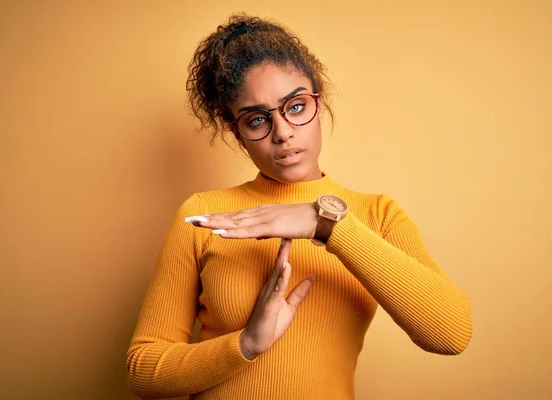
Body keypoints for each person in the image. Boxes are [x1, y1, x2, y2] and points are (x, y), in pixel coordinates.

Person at [126, 13, 473, 400]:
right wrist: (245, 345)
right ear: (238, 134)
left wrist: (328, 226)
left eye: (294, 106)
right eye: (257, 119)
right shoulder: (204, 215)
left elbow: (452, 333)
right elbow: (144, 370)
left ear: (318, 104)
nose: (283, 132)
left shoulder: (377, 215)